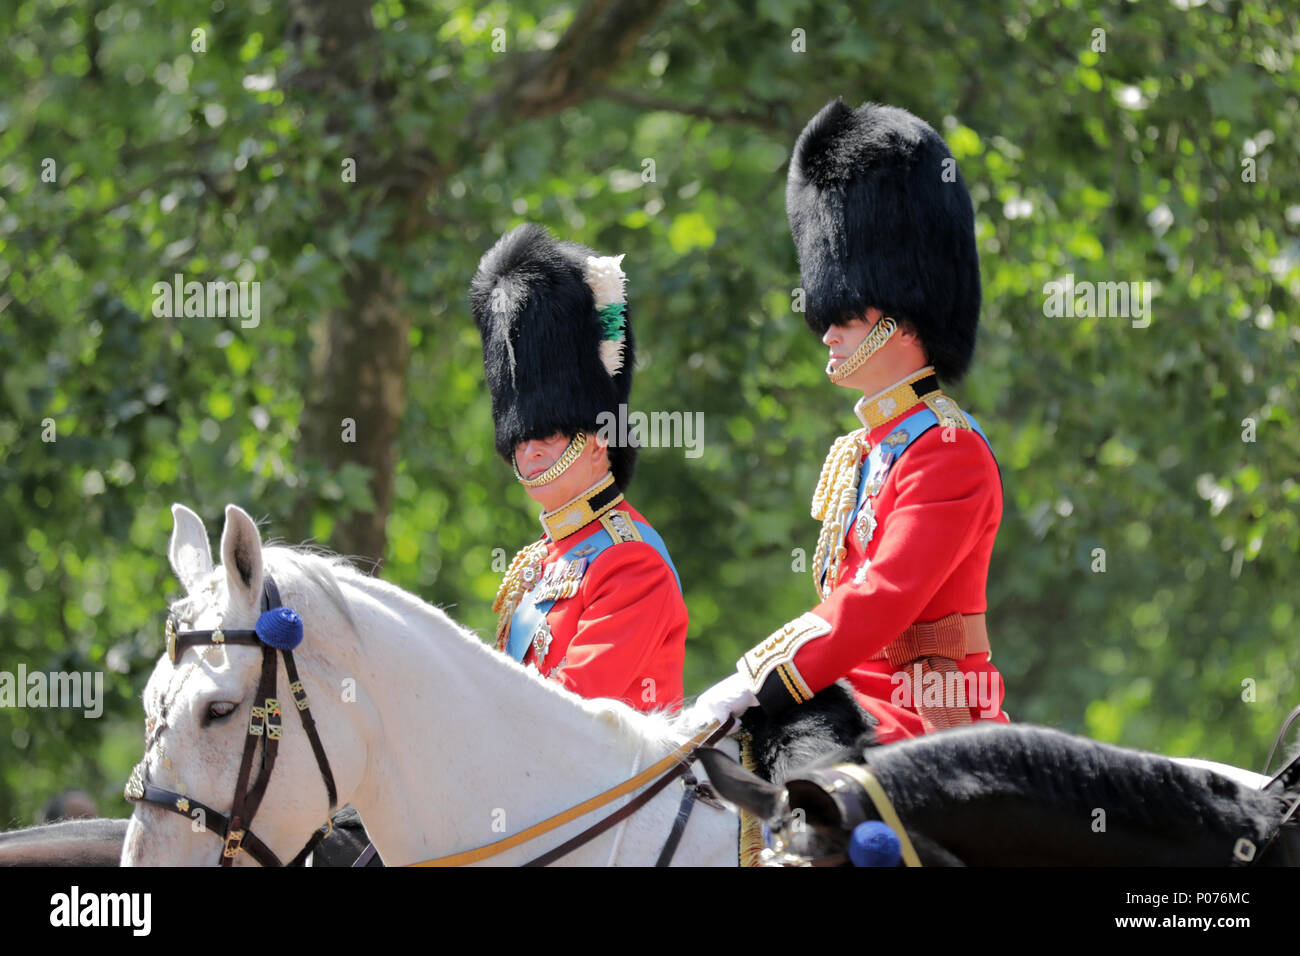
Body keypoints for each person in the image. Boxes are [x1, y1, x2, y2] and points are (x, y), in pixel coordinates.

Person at [690, 99, 1009, 742]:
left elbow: (883, 596)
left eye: (847, 315)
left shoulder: (948, 450)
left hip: (934, 719)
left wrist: (759, 676)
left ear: (900, 314)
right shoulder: (863, 451)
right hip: (850, 703)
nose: (828, 332)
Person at [470, 223, 687, 713]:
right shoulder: (537, 562)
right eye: (520, 436)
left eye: (548, 432)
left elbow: (567, 711)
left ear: (600, 439)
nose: (530, 449)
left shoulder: (631, 561)